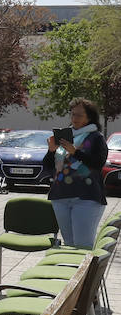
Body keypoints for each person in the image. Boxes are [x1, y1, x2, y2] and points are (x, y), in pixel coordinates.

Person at [45, 97, 108, 248]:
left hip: (87, 198)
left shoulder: (96, 138)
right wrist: (51, 151)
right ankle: (71, 272)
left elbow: (98, 164)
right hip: (60, 196)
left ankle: (87, 272)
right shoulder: (65, 136)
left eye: (79, 115)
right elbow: (48, 167)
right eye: (72, 114)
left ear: (89, 117)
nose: (74, 118)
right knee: (69, 244)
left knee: (82, 245)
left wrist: (75, 152)